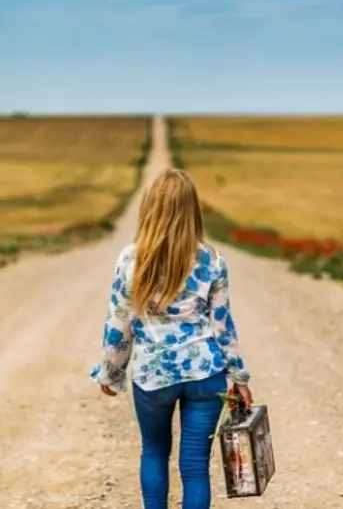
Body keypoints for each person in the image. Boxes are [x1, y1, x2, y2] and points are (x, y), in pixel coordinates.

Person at [90, 168, 253, 509]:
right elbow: (223, 325)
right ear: (193, 210)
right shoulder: (212, 260)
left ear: (150, 207)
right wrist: (239, 377)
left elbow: (119, 324)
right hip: (205, 375)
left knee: (153, 452)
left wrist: (111, 372)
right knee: (195, 468)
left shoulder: (131, 259)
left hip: (153, 376)